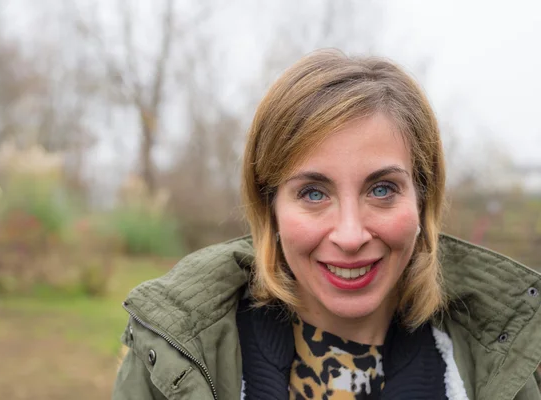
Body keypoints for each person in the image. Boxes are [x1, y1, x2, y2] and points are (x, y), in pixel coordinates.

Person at [113, 49, 541, 400]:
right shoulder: (175, 358)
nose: (351, 236)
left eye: (382, 190)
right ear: (271, 208)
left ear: (422, 199)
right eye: (313, 193)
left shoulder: (504, 361)